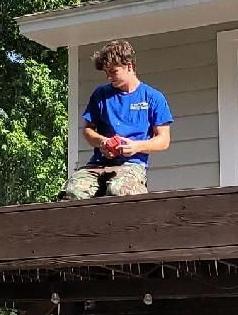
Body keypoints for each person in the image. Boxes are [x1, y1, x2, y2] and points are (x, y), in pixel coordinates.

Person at [59, 39, 173, 199]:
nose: (109, 78)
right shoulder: (100, 95)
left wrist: (136, 146)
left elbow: (163, 140)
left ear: (129, 66)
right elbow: (87, 130)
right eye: (106, 73)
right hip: (97, 165)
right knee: (73, 192)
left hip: (131, 166)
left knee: (118, 191)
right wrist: (102, 142)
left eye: (113, 72)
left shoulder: (153, 98)